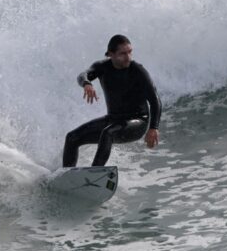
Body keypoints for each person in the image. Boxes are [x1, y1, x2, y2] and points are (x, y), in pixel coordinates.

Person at [62, 34, 161, 167]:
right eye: (123, 53)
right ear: (110, 54)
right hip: (114, 119)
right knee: (72, 138)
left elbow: (155, 101)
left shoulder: (138, 71)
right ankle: (67, 176)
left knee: (108, 132)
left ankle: (95, 174)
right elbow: (83, 75)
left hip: (137, 122)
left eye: (130, 52)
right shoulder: (102, 67)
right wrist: (86, 83)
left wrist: (153, 128)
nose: (128, 57)